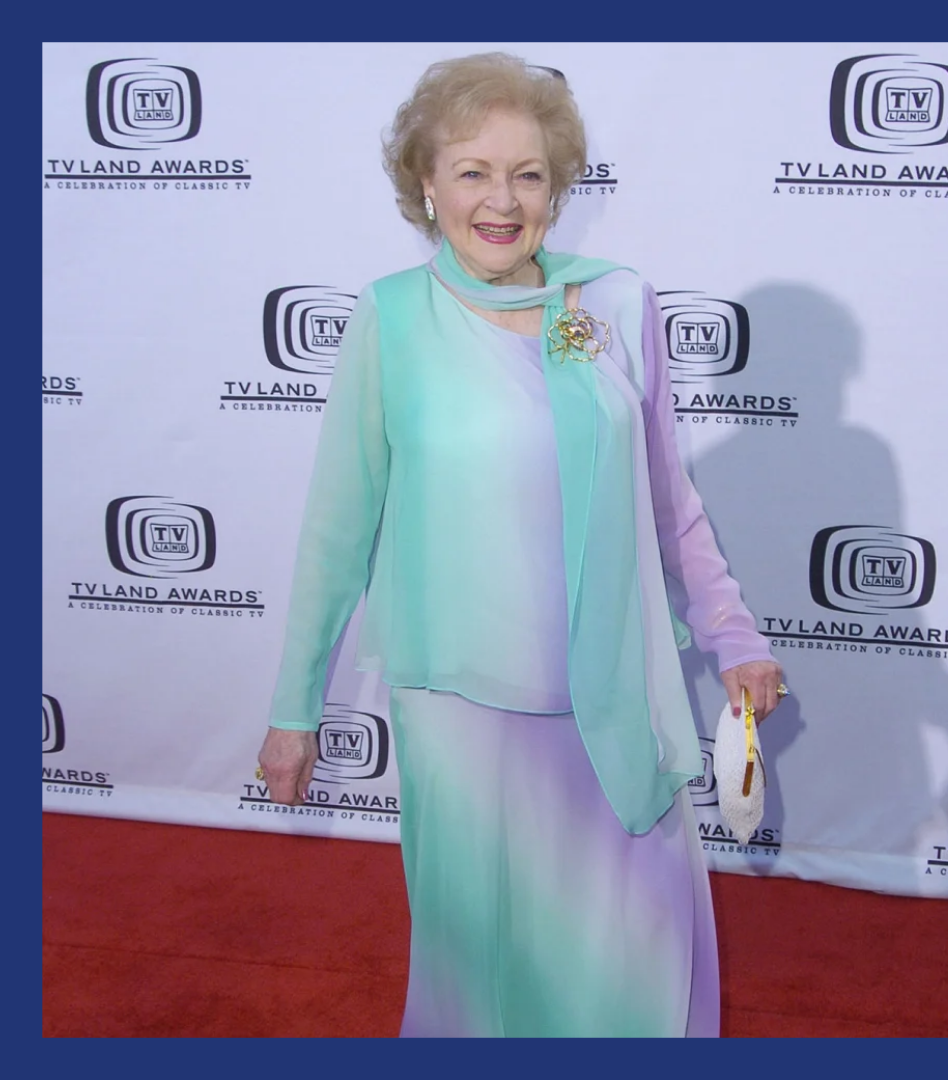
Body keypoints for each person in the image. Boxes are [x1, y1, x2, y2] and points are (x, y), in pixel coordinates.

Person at [257, 52, 785, 1039]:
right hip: (460, 717)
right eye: (472, 171)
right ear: (426, 183)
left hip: (609, 701)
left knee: (631, 960)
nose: (501, 201)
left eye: (528, 174)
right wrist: (294, 712)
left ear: (558, 187)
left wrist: (734, 636)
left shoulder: (618, 304)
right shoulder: (391, 319)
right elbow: (336, 532)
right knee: (488, 977)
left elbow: (671, 501)